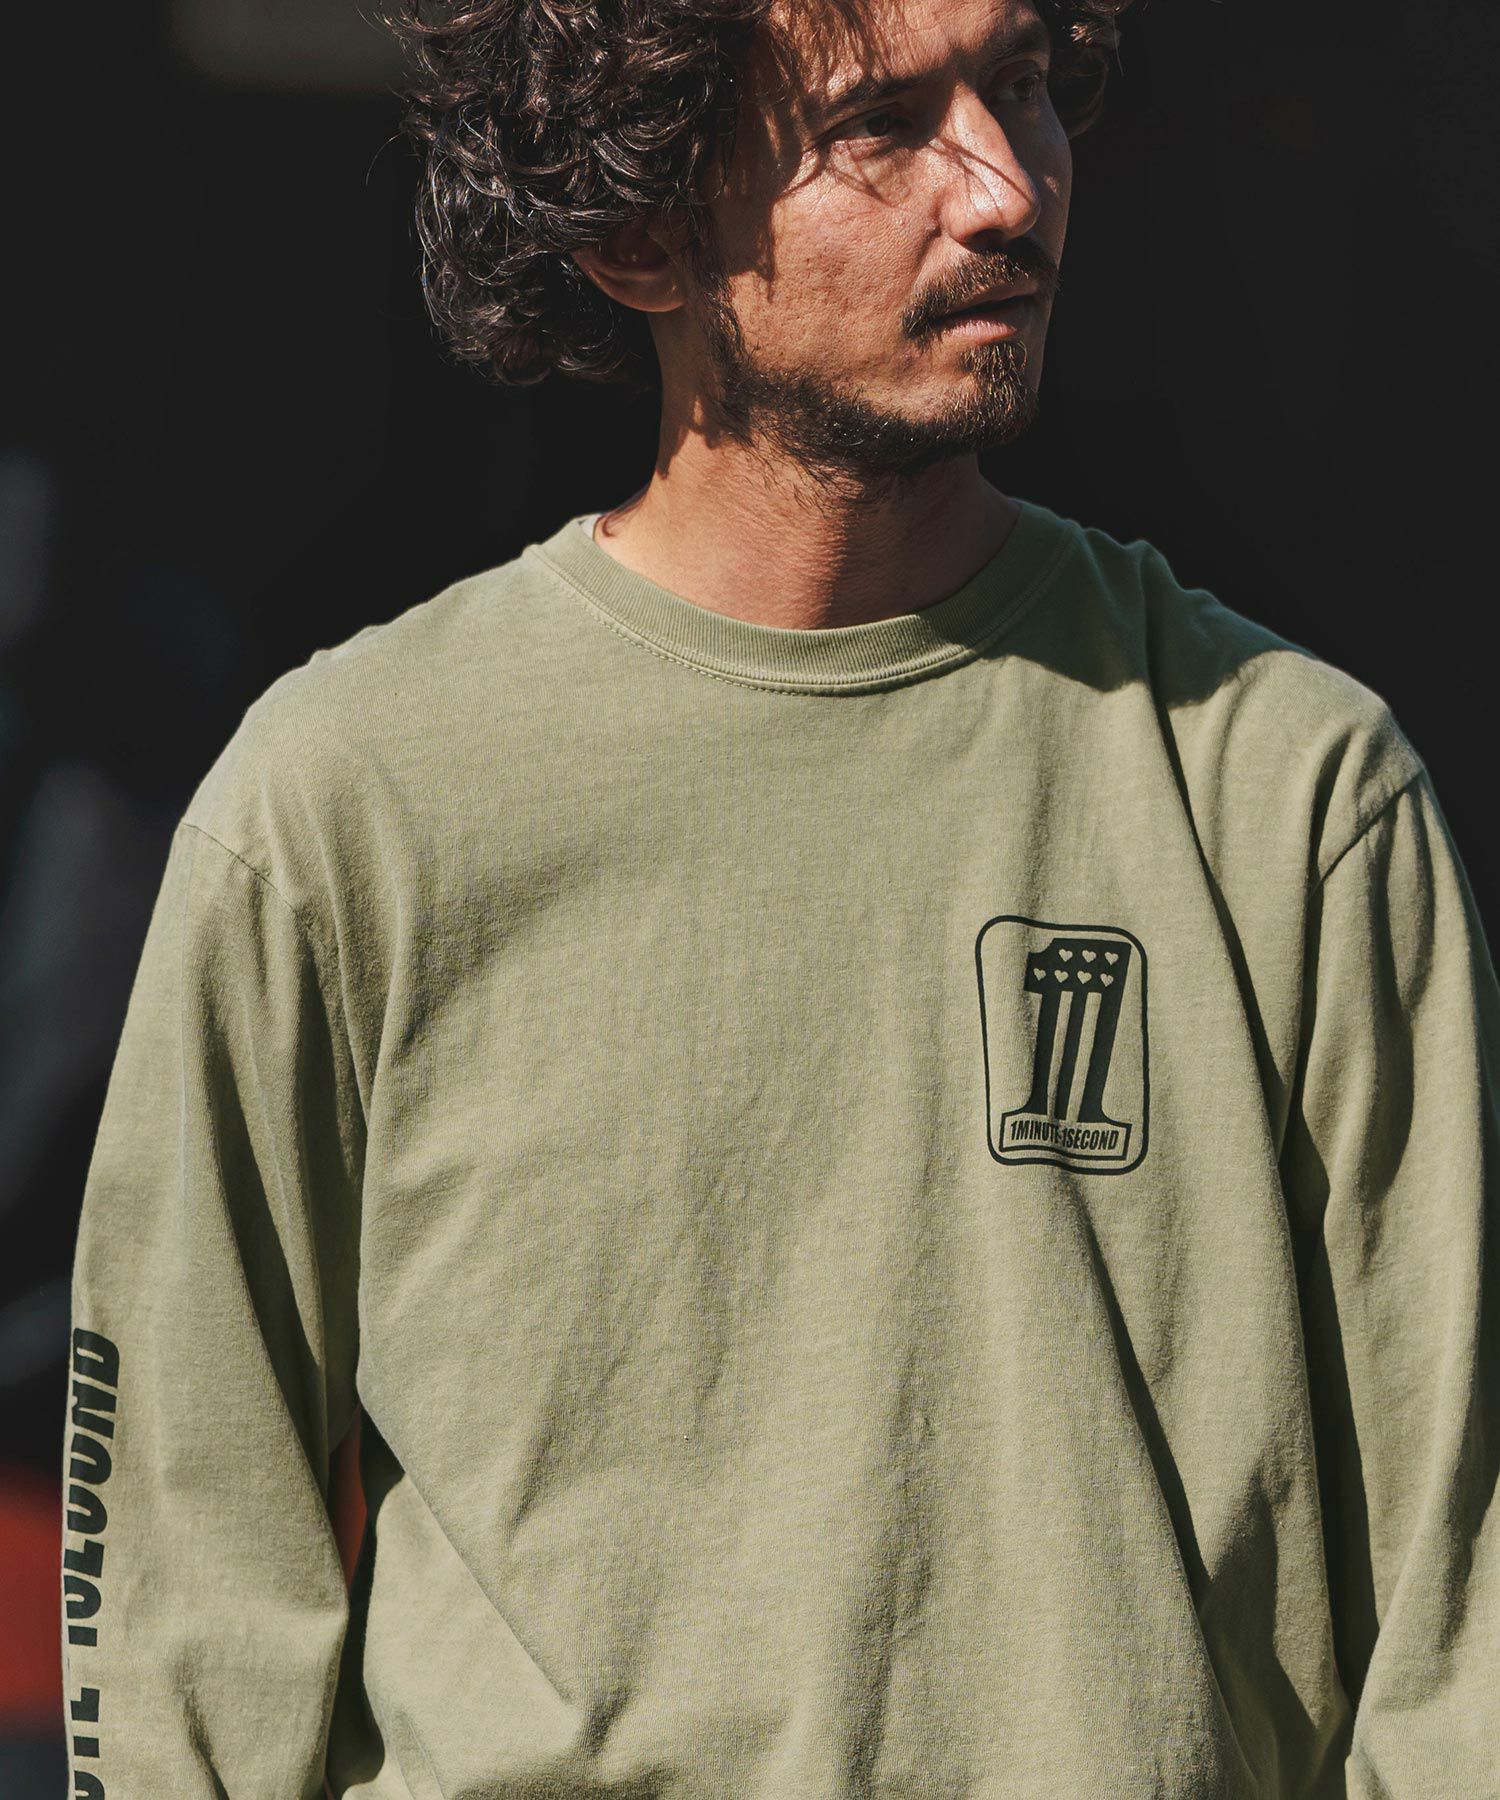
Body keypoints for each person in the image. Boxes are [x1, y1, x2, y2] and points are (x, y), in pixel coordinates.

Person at [61, 0, 1498, 1790]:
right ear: (637, 230)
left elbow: (1466, 1630)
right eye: (883, 121)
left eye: (1026, 85)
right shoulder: (348, 809)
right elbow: (182, 1583)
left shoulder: (1291, 795)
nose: (1004, 186)